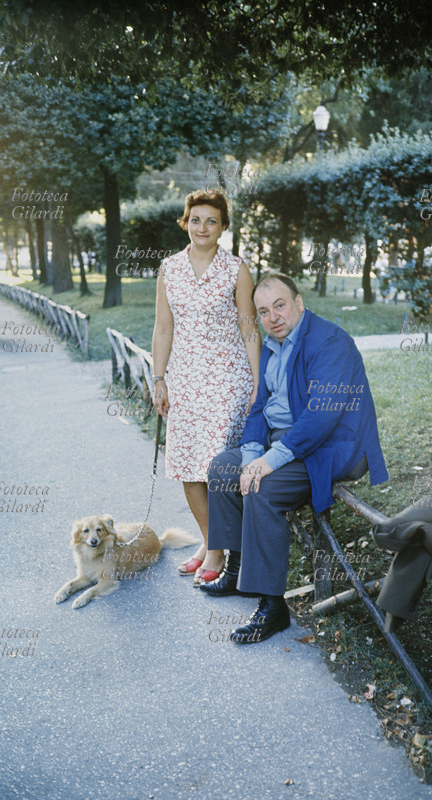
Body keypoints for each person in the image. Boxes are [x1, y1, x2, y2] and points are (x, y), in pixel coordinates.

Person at [200, 272, 389, 642]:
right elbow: (259, 406)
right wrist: (251, 455)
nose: (273, 317)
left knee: (261, 487)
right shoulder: (273, 345)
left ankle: (272, 607)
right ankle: (237, 569)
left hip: (333, 446)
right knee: (224, 468)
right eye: (264, 311)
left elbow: (321, 416)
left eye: (280, 305)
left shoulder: (330, 342)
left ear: (299, 303)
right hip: (287, 441)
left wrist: (268, 462)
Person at [152, 190, 261, 586]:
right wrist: (159, 378)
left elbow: (249, 328)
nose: (203, 228)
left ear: (223, 227)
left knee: (216, 466)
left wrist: (257, 382)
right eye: (196, 219)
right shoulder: (169, 268)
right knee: (188, 466)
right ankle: (208, 541)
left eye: (211, 221)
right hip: (183, 380)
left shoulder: (237, 270)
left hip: (226, 379)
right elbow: (164, 327)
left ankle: (218, 550)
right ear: (186, 222)